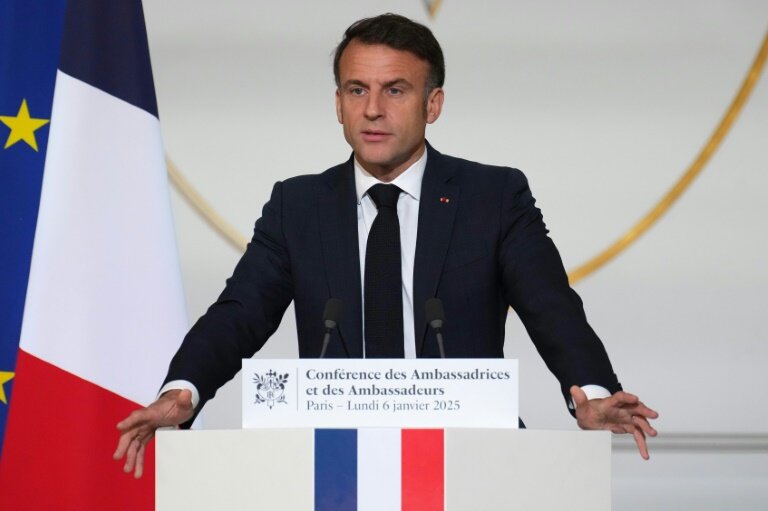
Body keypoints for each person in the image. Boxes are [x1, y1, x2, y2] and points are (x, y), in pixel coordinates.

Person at [114, 13, 658, 478]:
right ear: (338, 103)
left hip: (471, 458)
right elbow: (240, 313)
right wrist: (183, 391)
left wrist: (591, 392)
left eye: (395, 90)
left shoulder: (492, 197)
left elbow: (551, 306)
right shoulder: (297, 205)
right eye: (357, 90)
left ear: (433, 104)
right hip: (332, 462)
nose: (372, 109)